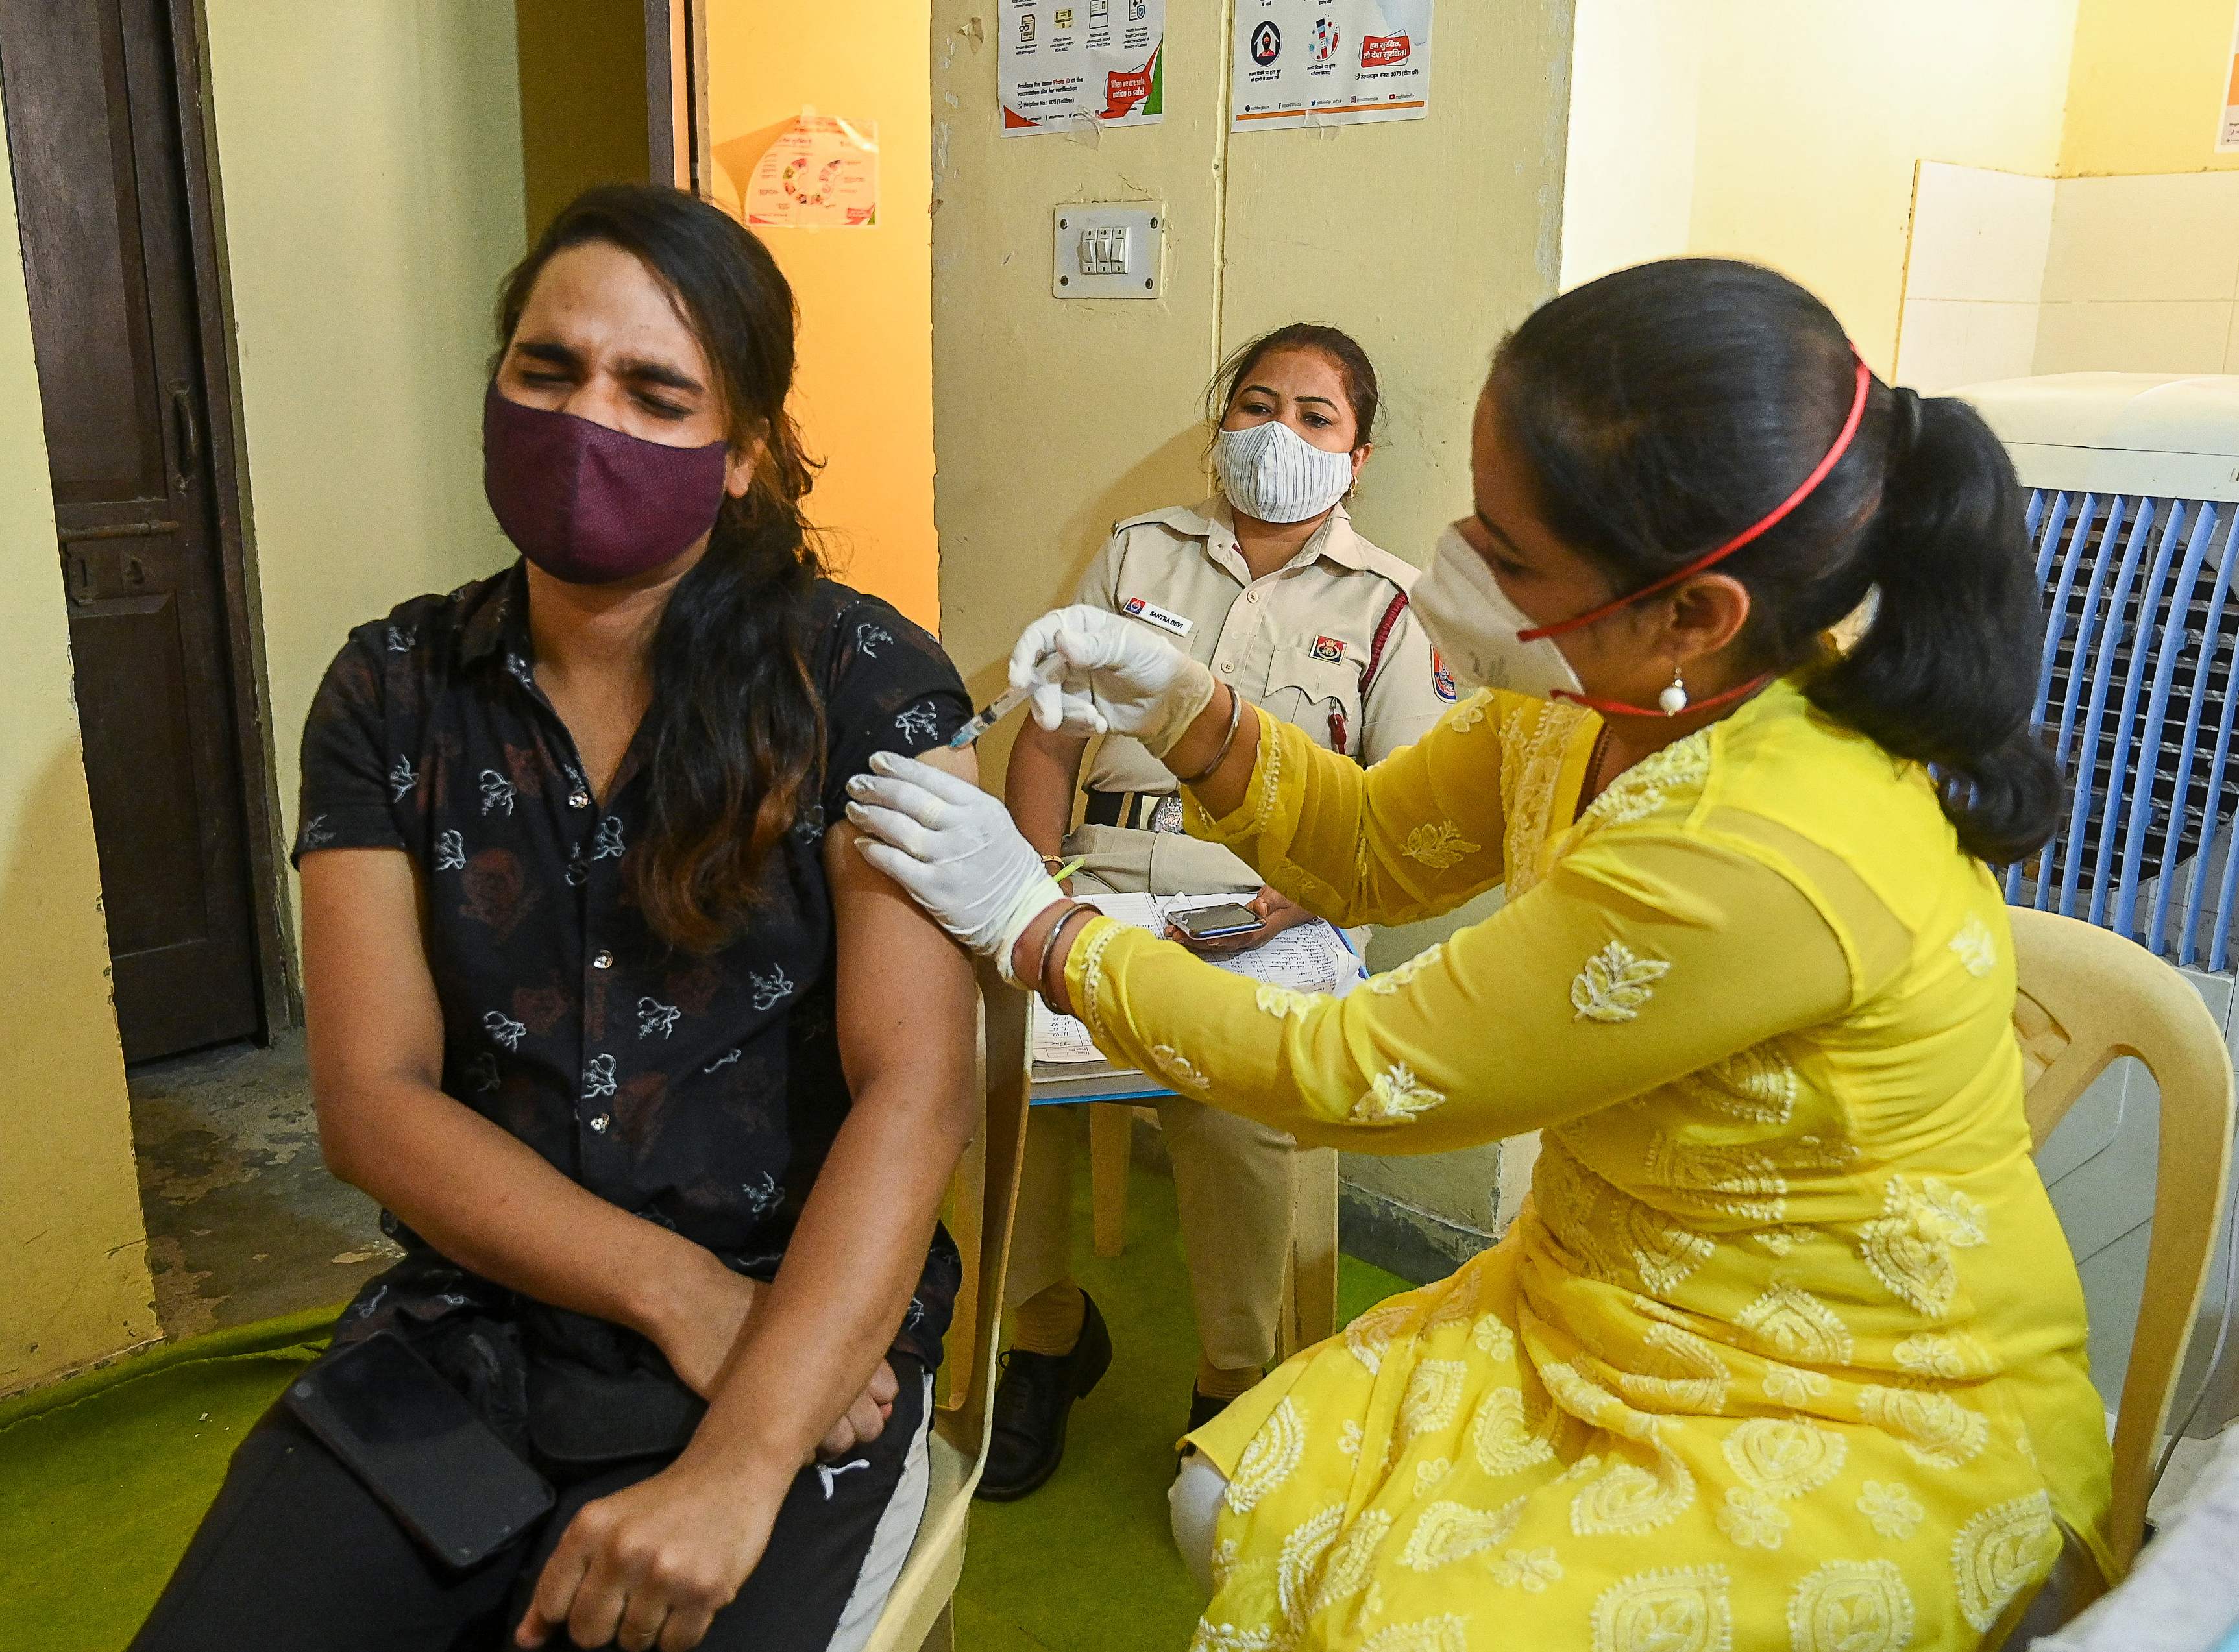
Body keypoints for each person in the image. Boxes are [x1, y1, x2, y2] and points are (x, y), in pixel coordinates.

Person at [847, 258, 2114, 1647]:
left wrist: (1038, 927)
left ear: (1690, 615)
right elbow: (1369, 843)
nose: (1456, 565)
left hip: (1825, 1383)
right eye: (1476, 513)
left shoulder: (1750, 844)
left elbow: (1355, 1070)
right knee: (1228, 1506)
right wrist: (1190, 708)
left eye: (1506, 555)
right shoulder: (1576, 705)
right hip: (1599, 1291)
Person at [128, 184, 983, 1652]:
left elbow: (916, 1086)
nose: (587, 419)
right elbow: (370, 1101)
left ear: (744, 459)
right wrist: (673, 1291)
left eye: (657, 393)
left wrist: (739, 1454)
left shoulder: (861, 685)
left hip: (801, 1343)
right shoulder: (391, 690)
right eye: (547, 370)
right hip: (476, 1326)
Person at [989, 323, 1449, 1501]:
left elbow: (1404, 812)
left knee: (1235, 1082)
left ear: (1358, 455)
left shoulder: (1394, 604)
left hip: (1279, 900)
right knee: (996, 1039)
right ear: (1219, 421)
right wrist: (1033, 883)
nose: (1278, 433)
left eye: (1315, 416)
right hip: (1102, 871)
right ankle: (1043, 1335)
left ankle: (1233, 1378)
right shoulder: (1141, 553)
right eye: (1256, 403)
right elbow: (1049, 734)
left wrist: (1296, 890)